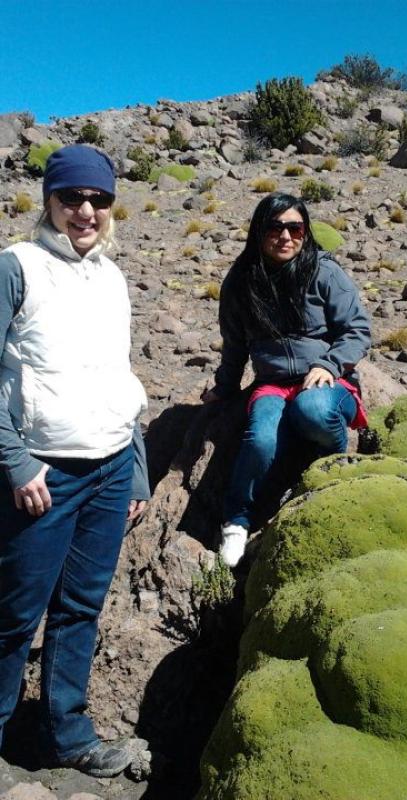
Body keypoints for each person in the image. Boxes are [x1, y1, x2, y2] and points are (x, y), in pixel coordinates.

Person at [0, 145, 150, 778]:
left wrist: (136, 464)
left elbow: (118, 376)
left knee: (81, 608)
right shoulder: (16, 266)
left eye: (98, 199)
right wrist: (15, 461)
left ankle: (67, 734)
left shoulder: (112, 277)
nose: (85, 211)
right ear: (50, 201)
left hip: (111, 468)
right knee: (14, 613)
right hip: (44, 473)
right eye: (71, 198)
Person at [203, 192, 371, 568]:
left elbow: (357, 329)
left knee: (311, 411)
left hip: (327, 380)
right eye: (275, 227)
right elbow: (235, 345)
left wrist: (330, 364)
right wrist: (225, 388)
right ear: (259, 232)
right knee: (260, 439)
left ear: (306, 232)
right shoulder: (242, 281)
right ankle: (237, 521)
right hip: (273, 382)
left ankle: (330, 466)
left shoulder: (324, 271)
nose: (285, 237)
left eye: (295, 228)